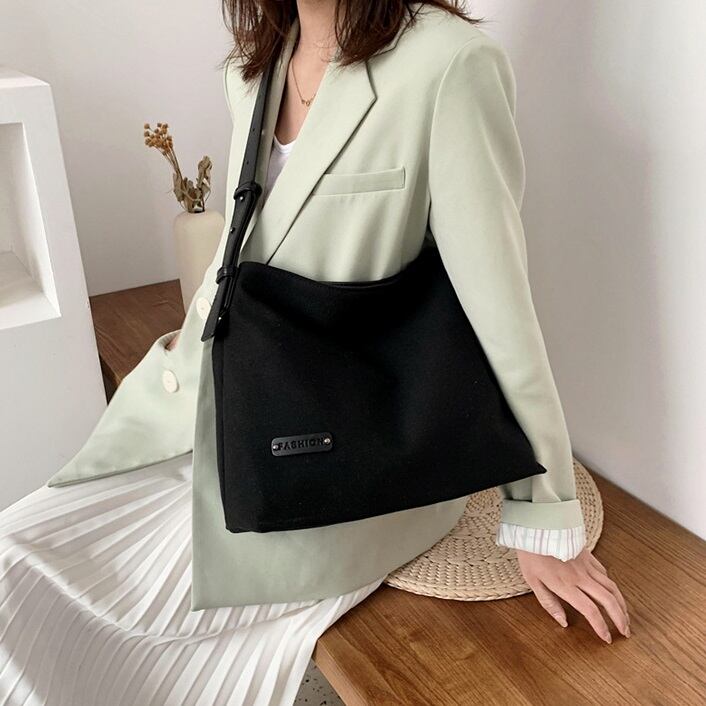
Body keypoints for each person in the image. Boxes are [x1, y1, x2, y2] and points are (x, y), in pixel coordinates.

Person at [0, 1, 630, 704]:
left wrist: (542, 517)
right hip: (216, 406)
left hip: (341, 457)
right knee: (12, 559)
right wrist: (193, 339)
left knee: (70, 623)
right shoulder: (254, 68)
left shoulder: (449, 64)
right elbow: (243, 246)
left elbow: (499, 307)